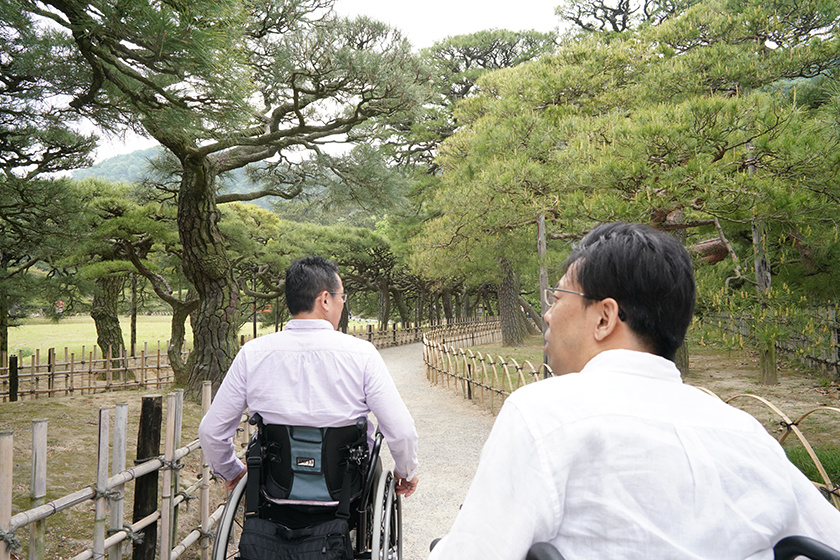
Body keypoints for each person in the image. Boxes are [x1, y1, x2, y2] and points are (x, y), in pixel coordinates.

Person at [428, 222, 840, 560]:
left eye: (556, 298)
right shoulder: (746, 433)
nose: (548, 316)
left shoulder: (543, 414)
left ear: (605, 317)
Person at [199, 256, 419, 500]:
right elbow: (402, 431)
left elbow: (211, 431)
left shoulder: (253, 354)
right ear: (325, 299)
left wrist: (232, 472)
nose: (342, 304)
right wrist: (405, 471)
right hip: (346, 488)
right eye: (342, 297)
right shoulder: (362, 354)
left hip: (274, 486)